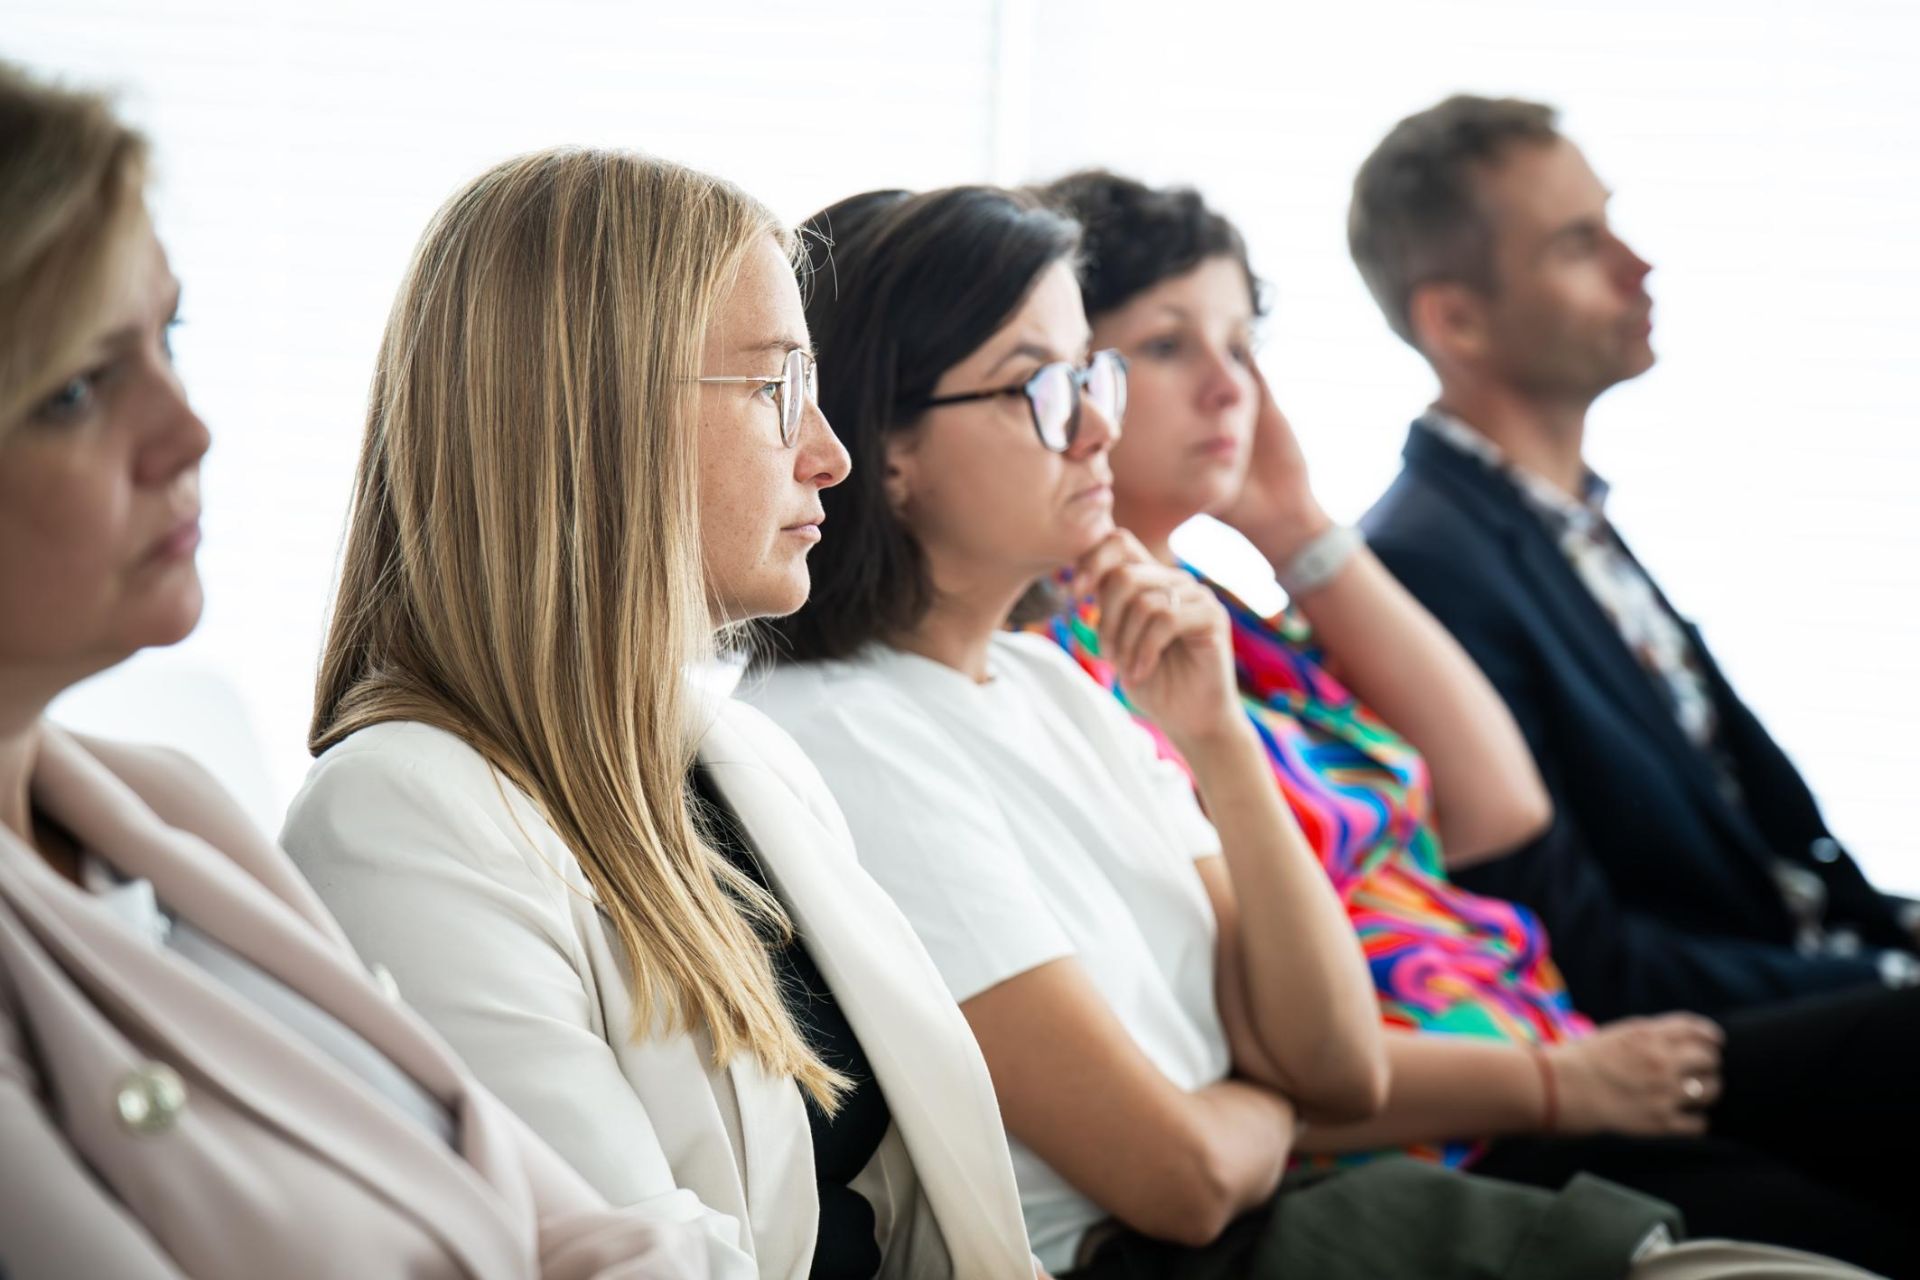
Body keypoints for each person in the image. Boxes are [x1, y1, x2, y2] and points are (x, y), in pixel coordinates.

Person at [746, 182, 1875, 1280]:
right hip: (1210, 1240)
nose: (1095, 425)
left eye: (1094, 373)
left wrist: (1221, 739)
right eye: (1037, 385)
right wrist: (1275, 1101)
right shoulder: (846, 732)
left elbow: (1332, 1062)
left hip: (1338, 1192)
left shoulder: (1050, 681)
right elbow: (1184, 1175)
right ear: (885, 446)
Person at [0, 62, 724, 1280]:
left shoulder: (171, 809)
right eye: (78, 387)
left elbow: (577, 1227)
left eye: (168, 338)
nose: (191, 428)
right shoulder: (393, 804)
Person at [278, 148, 1038, 1280]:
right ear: (592, 418)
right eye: (777, 387)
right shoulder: (397, 817)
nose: (829, 454)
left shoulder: (744, 762)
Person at [1349, 93, 1920, 1021]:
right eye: (1578, 246)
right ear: (1456, 321)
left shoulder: (1569, 520)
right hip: (1717, 1063)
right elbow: (1588, 958)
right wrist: (1886, 989)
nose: (1637, 266)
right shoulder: (1422, 570)